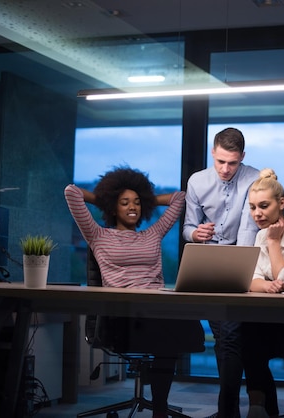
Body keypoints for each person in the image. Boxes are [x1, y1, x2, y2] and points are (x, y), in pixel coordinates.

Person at [64, 166, 205, 418]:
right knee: (168, 332)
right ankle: (160, 403)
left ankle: (159, 407)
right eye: (125, 202)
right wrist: (107, 200)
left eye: (137, 203)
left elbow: (179, 198)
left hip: (156, 309)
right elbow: (71, 193)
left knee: (175, 322)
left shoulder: (152, 234)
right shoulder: (97, 235)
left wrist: (146, 199)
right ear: (113, 207)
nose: (133, 207)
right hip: (122, 314)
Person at [182, 127, 260, 418]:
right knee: (227, 336)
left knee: (232, 335)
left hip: (244, 260)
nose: (226, 169)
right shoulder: (197, 182)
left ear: (242, 158)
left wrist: (242, 274)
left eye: (233, 163)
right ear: (212, 153)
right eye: (221, 162)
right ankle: (233, 409)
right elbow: (187, 228)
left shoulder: (254, 178)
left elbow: (248, 230)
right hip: (209, 263)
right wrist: (196, 233)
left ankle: (230, 409)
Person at [241, 168, 284, 418]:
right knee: (248, 330)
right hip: (271, 321)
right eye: (252, 207)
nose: (257, 214)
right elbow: (252, 279)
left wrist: (273, 242)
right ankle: (258, 408)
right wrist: (267, 285)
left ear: (281, 204)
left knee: (250, 336)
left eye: (264, 206)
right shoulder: (260, 234)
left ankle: (258, 408)